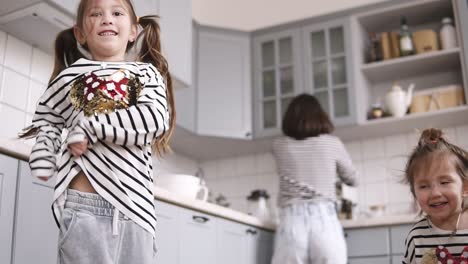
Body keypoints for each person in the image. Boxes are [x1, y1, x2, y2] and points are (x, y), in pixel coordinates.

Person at [21, 0, 175, 263]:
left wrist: (92, 126)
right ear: (80, 33)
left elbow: (153, 120)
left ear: (133, 31)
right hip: (84, 209)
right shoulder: (69, 77)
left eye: (117, 12)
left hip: (137, 211)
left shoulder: (146, 74)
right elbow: (48, 118)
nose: (107, 19)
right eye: (96, 13)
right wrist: (44, 151)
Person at [271, 93, 358, 264]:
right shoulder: (332, 143)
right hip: (324, 222)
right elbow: (353, 179)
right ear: (320, 116)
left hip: (291, 224)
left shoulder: (279, 145)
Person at [402, 128, 468, 264]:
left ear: (465, 187)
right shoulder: (416, 237)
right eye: (424, 186)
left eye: (444, 182)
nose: (435, 193)